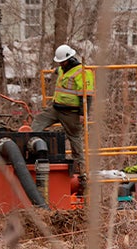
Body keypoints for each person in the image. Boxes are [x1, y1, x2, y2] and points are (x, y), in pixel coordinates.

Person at [32, 44, 95, 174]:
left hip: (71, 112)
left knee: (74, 137)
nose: (60, 64)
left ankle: (80, 166)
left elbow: (87, 96)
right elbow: (57, 71)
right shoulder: (62, 69)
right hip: (56, 108)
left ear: (70, 60)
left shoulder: (82, 73)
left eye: (62, 62)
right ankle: (35, 150)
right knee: (37, 122)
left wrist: (83, 114)